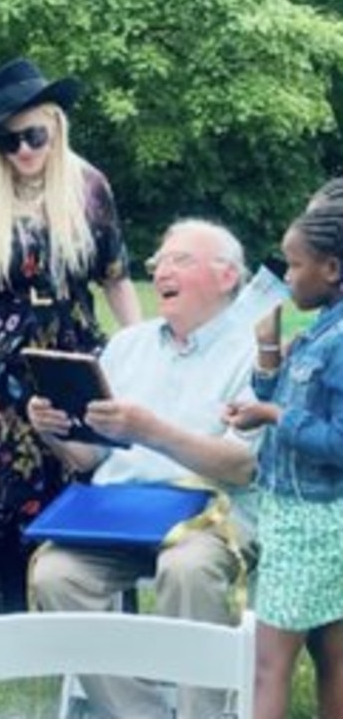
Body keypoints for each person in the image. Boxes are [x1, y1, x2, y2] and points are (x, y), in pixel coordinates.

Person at [28, 218, 260, 719]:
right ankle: (141, 714)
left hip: (209, 513)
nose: (160, 273)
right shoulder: (128, 344)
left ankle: (202, 713)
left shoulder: (252, 351)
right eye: (158, 263)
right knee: (55, 574)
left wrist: (151, 430)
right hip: (120, 512)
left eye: (180, 260)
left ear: (226, 277)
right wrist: (52, 430)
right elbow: (90, 458)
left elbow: (242, 467)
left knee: (187, 568)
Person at [0, 57, 141, 614]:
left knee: (84, 462)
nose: (24, 152)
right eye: (9, 142)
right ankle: (2, 611)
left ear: (56, 125)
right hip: (0, 357)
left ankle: (85, 600)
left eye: (34, 136)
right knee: (1, 471)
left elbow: (116, 280)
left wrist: (146, 354)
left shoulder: (90, 188)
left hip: (74, 348)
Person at [225, 190, 343, 719]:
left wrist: (271, 419)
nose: (287, 277)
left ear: (332, 267)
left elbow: (338, 442)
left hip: (311, 522)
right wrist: (269, 348)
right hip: (305, 514)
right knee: (333, 652)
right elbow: (279, 394)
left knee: (268, 664)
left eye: (295, 265)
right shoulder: (321, 329)